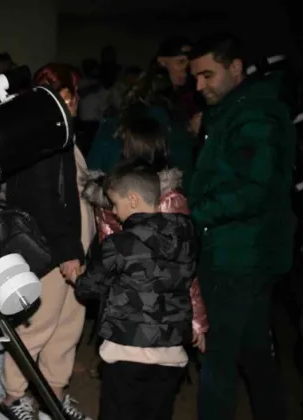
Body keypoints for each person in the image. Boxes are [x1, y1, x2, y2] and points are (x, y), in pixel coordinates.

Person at [188, 33, 294, 420]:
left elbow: (254, 190)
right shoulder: (237, 108)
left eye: (207, 75)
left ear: (235, 68)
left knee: (217, 359)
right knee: (252, 352)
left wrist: (193, 214)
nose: (199, 86)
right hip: (242, 250)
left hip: (239, 254)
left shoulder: (255, 113)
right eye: (195, 77)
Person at [0, 63, 95, 420]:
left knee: (68, 323)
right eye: (75, 93)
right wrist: (68, 251)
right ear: (67, 94)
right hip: (52, 247)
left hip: (72, 244)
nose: (78, 101)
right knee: (38, 324)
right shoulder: (44, 135)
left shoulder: (61, 131)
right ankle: (12, 399)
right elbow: (43, 199)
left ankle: (53, 396)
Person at [67, 161, 197, 420]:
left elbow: (89, 287)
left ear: (134, 200)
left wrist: (77, 277)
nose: (114, 212)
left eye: (115, 204)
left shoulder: (120, 243)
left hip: (128, 351)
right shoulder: (186, 234)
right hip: (171, 352)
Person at [82, 116, 209, 351]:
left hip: (123, 311)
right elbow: (186, 265)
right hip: (162, 312)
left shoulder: (111, 198)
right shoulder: (169, 200)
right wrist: (197, 321)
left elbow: (106, 253)